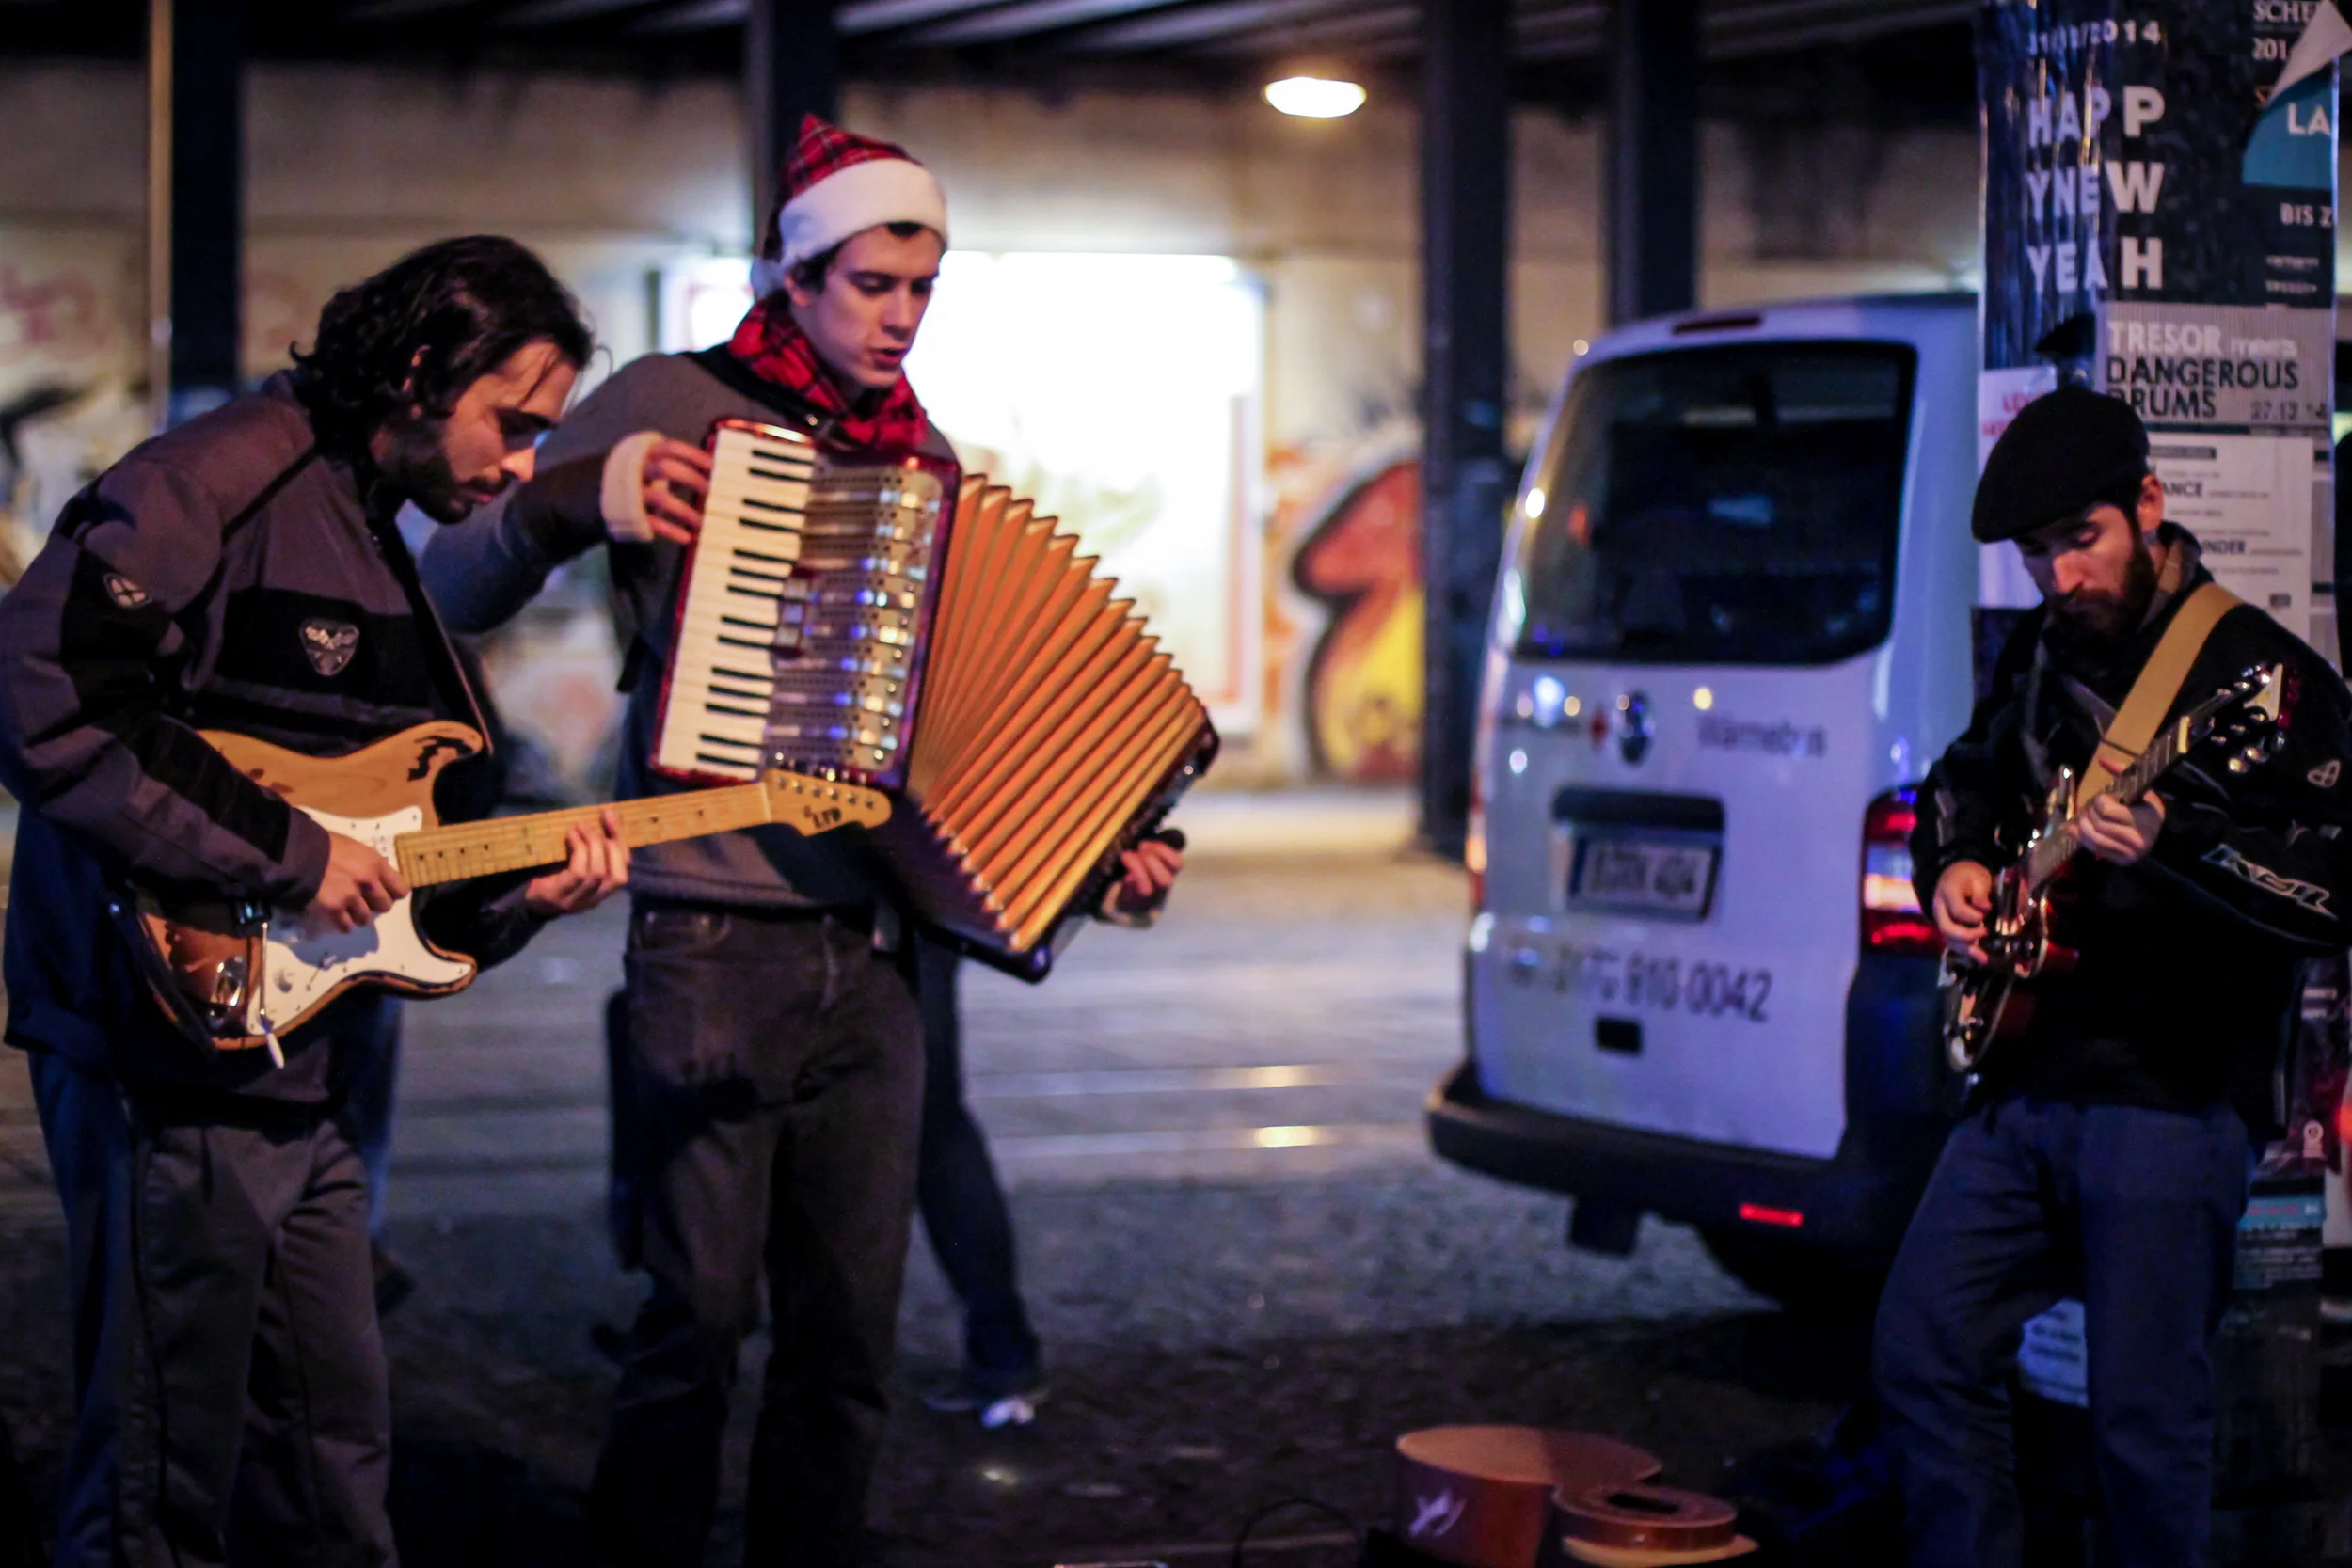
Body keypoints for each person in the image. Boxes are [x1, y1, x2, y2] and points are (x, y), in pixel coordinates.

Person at [417, 117, 1179, 1567]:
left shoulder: (927, 460)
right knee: (694, 1321)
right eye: (872, 283)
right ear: (794, 272)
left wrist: (1104, 849)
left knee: (847, 1348)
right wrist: (584, 489)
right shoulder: (671, 401)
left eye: (921, 290)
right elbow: (455, 583)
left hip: (878, 953)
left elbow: (969, 726)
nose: (898, 317)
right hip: (707, 932)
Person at [0, 235, 671, 1567]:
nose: (526, 463)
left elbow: (401, 849)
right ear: (422, 371)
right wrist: (289, 853)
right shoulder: (222, 477)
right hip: (168, 1058)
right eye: (515, 422)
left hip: (299, 1070)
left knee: (332, 1454)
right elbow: (48, 687)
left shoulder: (372, 525)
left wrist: (522, 893)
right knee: (159, 1468)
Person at [1876, 385, 2352, 1568]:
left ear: (2147, 503)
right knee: (1921, 1349)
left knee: (2144, 1425)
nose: (2060, 578)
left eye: (2078, 541)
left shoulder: (2264, 680)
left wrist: (2183, 845)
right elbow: (1966, 773)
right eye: (2037, 557)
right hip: (2027, 1083)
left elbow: (2336, 894)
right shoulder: (2044, 648)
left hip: (2170, 1099)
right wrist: (1961, 861)